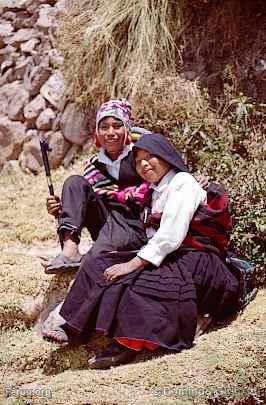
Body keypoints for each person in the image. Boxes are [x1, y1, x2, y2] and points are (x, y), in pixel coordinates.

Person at [42, 133, 240, 369]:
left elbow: (170, 235)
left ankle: (128, 344)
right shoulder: (153, 193)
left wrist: (132, 264)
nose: (144, 164)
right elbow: (118, 209)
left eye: (151, 157)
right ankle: (74, 327)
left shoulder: (183, 182)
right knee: (97, 265)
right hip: (171, 255)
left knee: (140, 284)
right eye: (138, 161)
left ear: (166, 156)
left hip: (198, 261)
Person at [44, 99, 208, 274]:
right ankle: (70, 251)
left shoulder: (141, 157)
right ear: (97, 132)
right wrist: (61, 209)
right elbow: (85, 202)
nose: (110, 132)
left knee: (94, 264)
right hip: (106, 225)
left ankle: (103, 256)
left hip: (136, 226)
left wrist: (195, 178)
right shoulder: (94, 166)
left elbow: (169, 178)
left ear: (127, 128)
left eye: (117, 125)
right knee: (73, 183)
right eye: (104, 127)